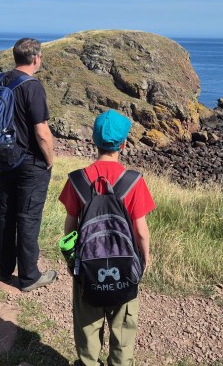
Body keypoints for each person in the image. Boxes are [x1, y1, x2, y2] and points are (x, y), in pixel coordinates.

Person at [58, 110, 155, 366]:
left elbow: (70, 225)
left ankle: (89, 362)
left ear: (94, 140)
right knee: (123, 328)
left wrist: (72, 259)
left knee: (87, 326)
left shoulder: (77, 180)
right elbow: (141, 231)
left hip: (88, 267)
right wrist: (145, 257)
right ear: (123, 144)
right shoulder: (133, 181)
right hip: (125, 265)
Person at [0, 37, 57, 292]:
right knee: (28, 217)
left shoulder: (1, 80)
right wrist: (50, 161)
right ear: (36, 58)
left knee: (7, 213)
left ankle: (6, 268)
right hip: (30, 162)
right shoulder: (33, 86)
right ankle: (30, 276)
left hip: (5, 158)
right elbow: (41, 131)